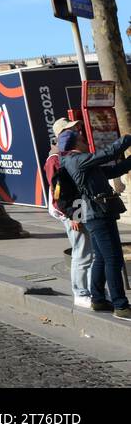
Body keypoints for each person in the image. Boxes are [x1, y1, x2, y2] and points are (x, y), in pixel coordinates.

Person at [57, 119, 131, 319]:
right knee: (113, 259)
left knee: (100, 257)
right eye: (81, 139)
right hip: (98, 213)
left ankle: (98, 299)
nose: (85, 142)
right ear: (74, 144)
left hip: (95, 213)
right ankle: (121, 305)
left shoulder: (78, 160)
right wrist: (127, 139)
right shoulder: (76, 159)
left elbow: (112, 171)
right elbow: (108, 154)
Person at [44, 120, 92, 308]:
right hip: (72, 210)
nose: (76, 130)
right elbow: (60, 191)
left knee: (86, 251)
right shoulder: (56, 159)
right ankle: (81, 293)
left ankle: (88, 290)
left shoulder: (64, 155)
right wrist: (73, 215)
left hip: (76, 208)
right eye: (72, 128)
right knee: (82, 252)